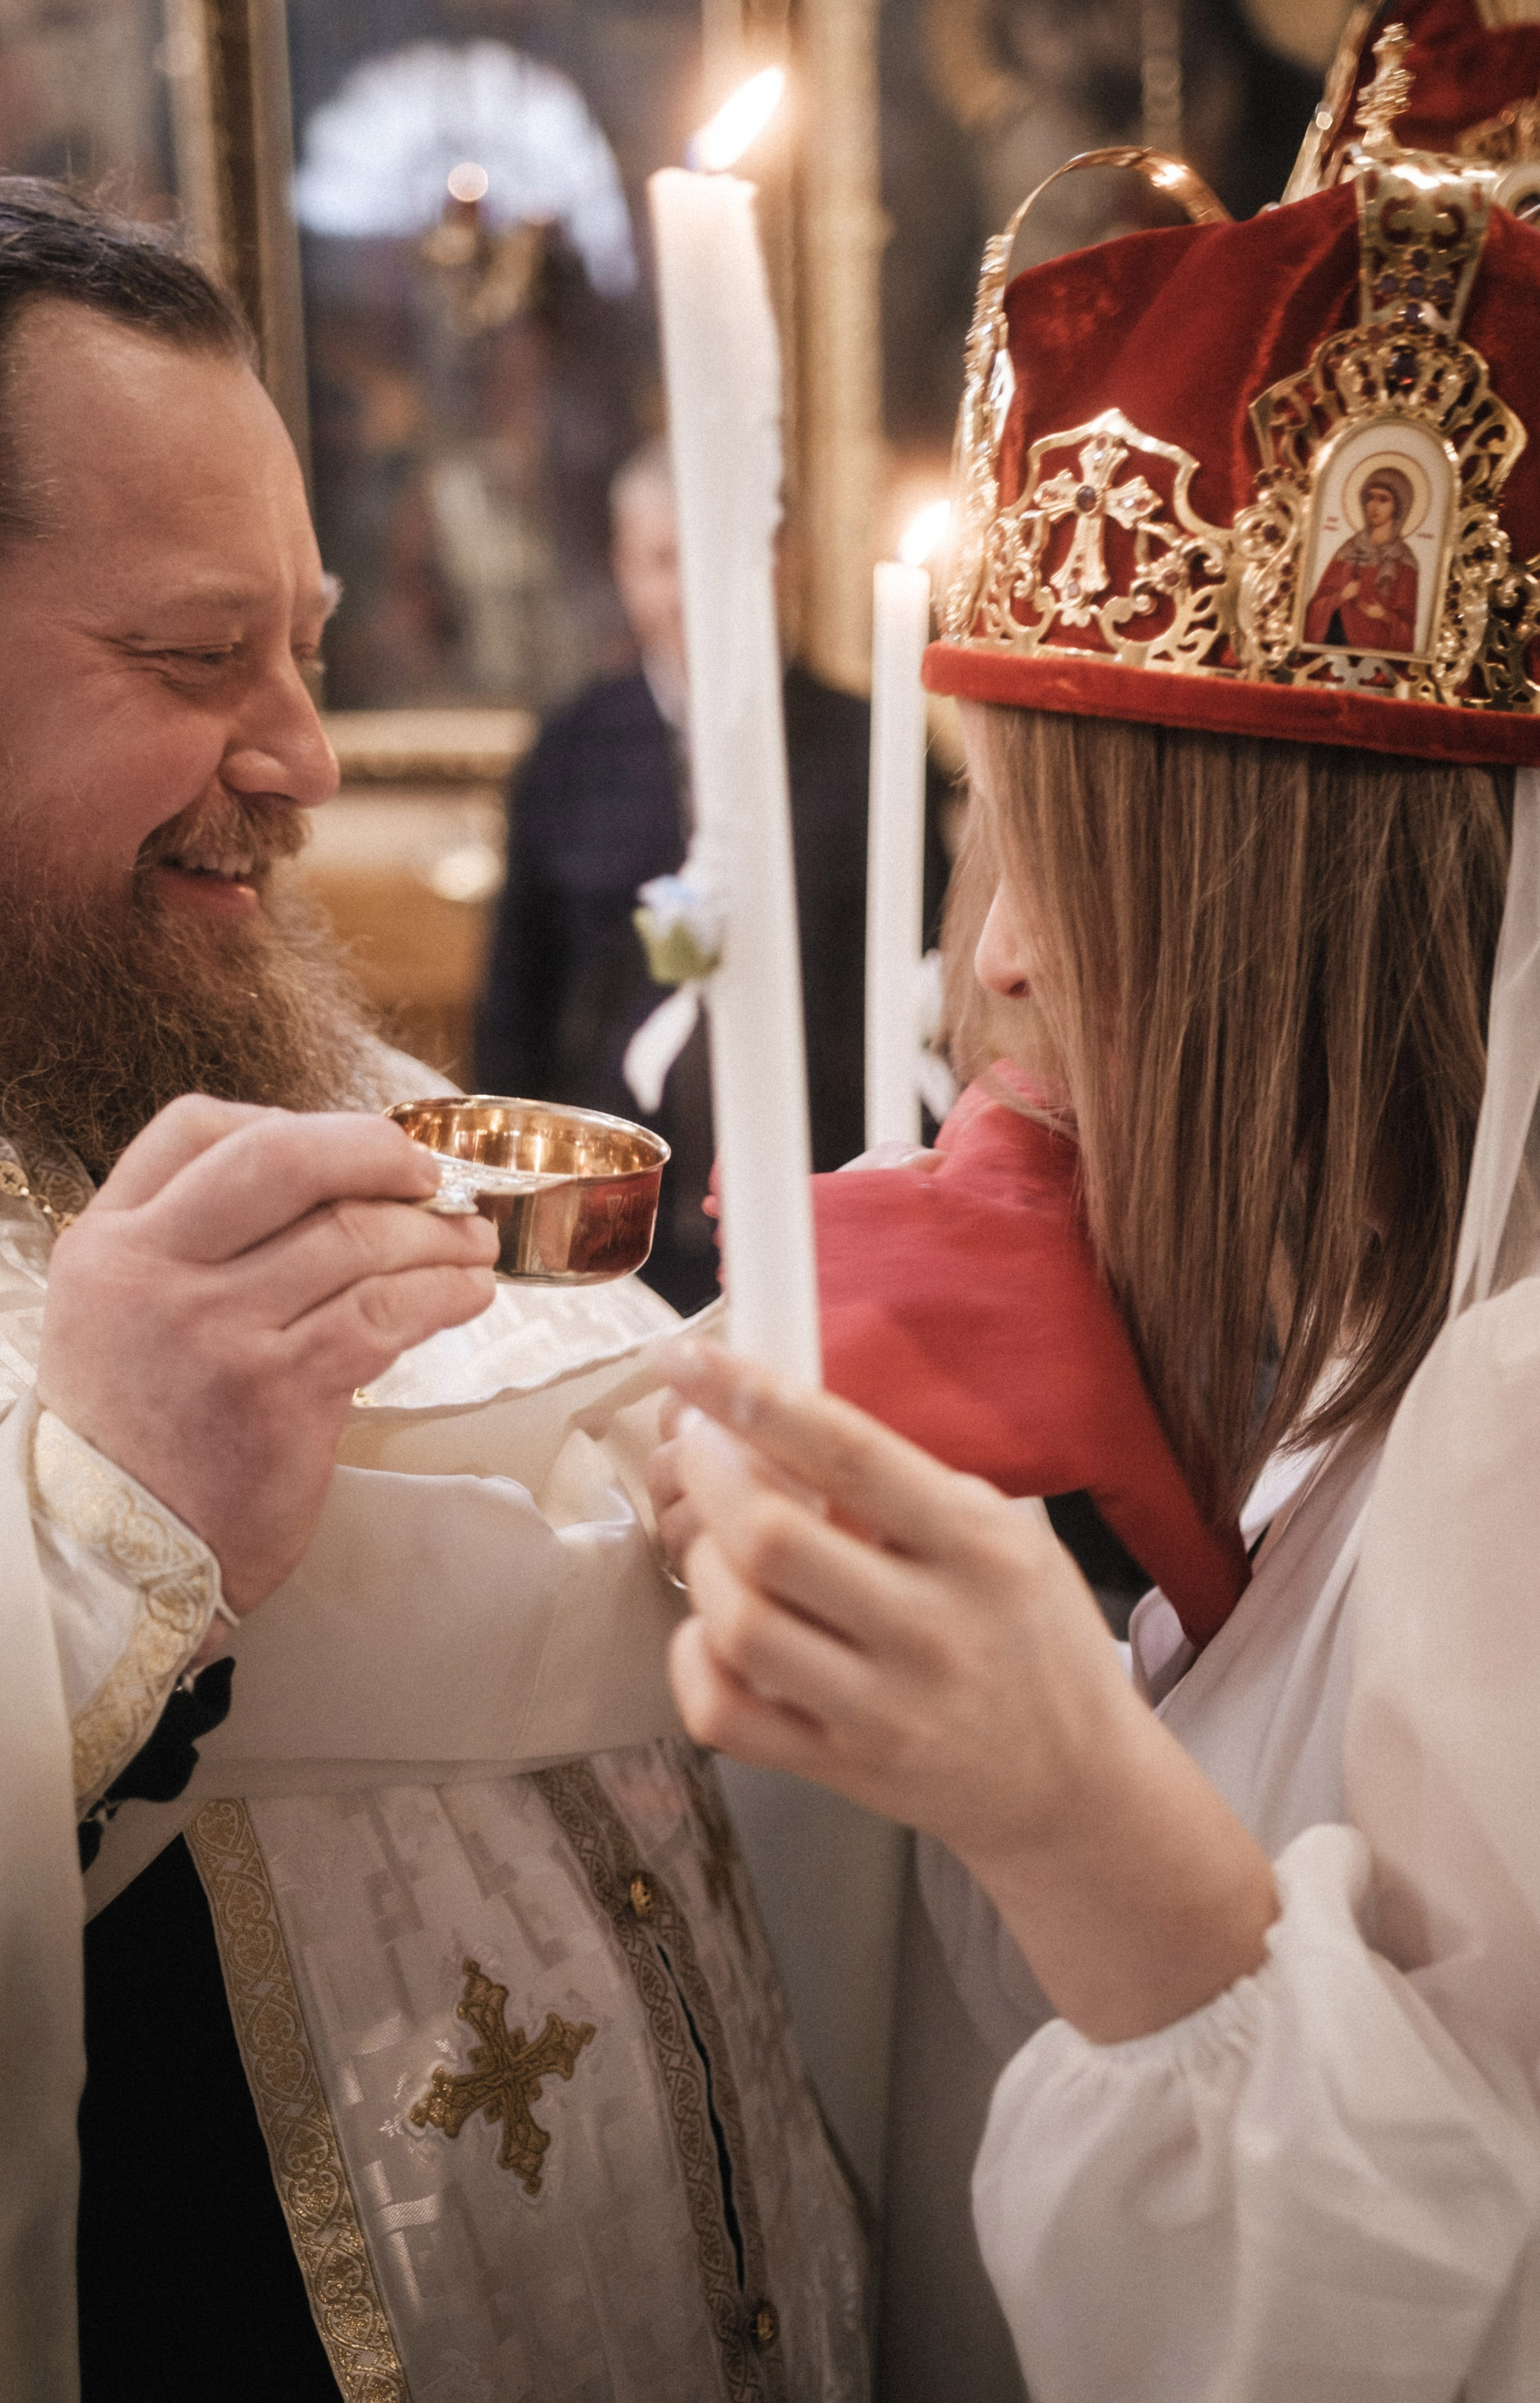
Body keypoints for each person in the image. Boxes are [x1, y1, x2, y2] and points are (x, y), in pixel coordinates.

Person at [648, 61, 1540, 2403]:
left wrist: (1068, 1799)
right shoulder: (1358, 1362)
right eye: (993, 845)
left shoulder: (1515, 1415)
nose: (1000, 960)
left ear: (1315, 904)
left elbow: (1450, 2317)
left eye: (1078, 861)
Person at [0, 178, 865, 2401]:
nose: (303, 758)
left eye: (311, 652)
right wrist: (89, 1548)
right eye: (195, 659)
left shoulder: (298, 1078)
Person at [477, 437, 948, 1313]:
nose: (690, 589)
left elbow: (928, 987)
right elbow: (518, 1005)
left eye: (719, 553)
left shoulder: (869, 748)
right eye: (663, 560)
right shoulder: (570, 751)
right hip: (617, 1232)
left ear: (783, 557)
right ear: (625, 569)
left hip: (825, 1206)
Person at [1302, 465, 1419, 650]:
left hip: (1381, 653)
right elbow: (1315, 609)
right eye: (1370, 498)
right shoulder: (1348, 550)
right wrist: (1341, 596)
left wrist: (1384, 616)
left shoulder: (1405, 561)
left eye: (1383, 499)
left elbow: (1407, 628)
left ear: (1398, 507)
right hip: (1337, 643)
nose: (1374, 506)